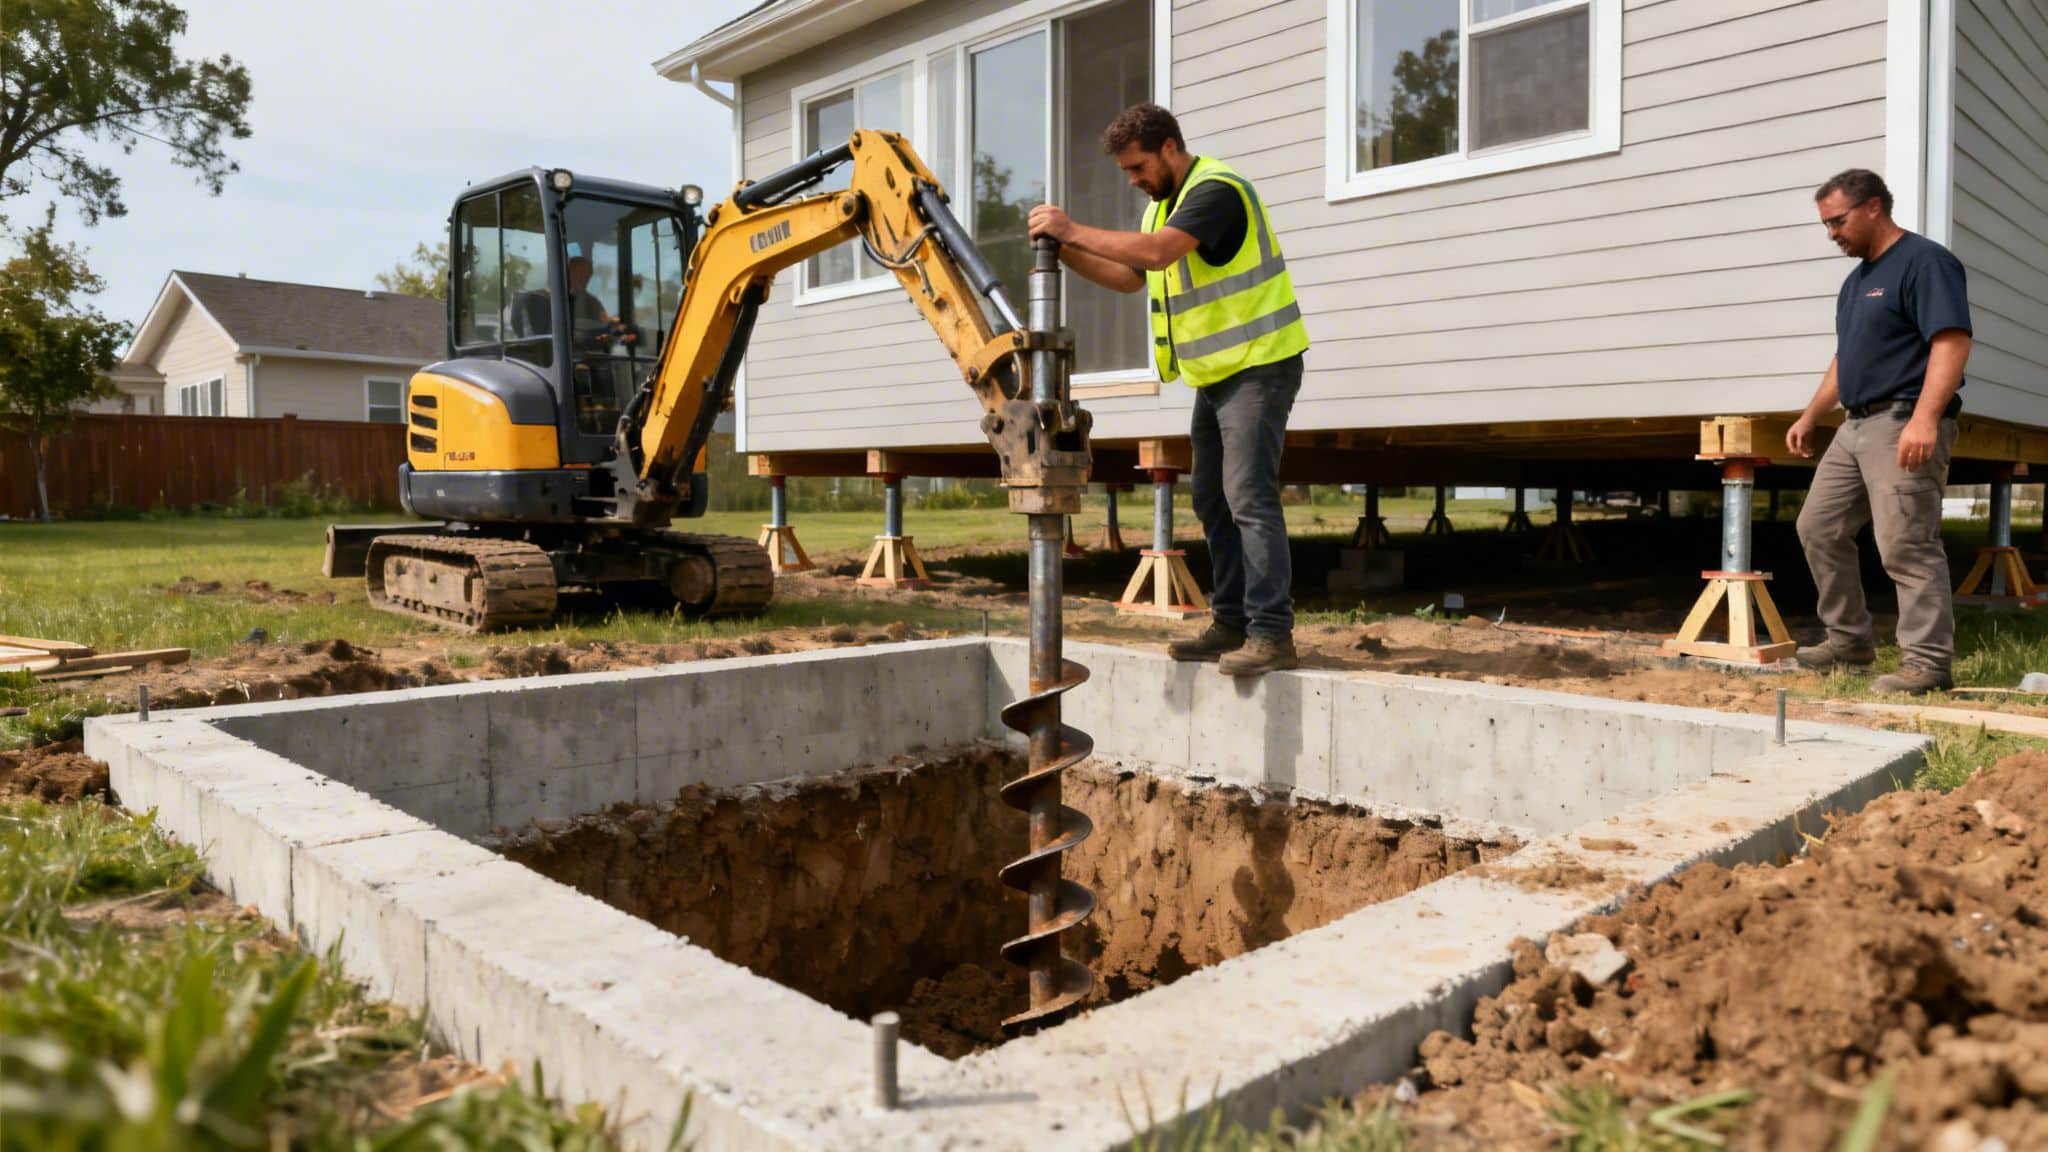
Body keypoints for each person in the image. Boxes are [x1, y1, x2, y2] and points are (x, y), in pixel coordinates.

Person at [1027, 103, 1310, 677]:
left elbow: (1155, 255)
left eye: (1137, 168)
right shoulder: (1164, 206)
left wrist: (1072, 227)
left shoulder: (1217, 191)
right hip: (1218, 374)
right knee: (1212, 498)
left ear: (1169, 149)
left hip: (1260, 365)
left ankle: (1272, 633)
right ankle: (1232, 622)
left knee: (1249, 497)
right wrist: (1067, 251)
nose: (1133, 179)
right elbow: (1132, 276)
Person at [1788, 168, 1973, 695]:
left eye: (1837, 221)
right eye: (1825, 225)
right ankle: (1849, 640)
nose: (1831, 234)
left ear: (1873, 207)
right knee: (1818, 527)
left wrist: (1925, 417)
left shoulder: (1924, 262)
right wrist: (1809, 415)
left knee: (1906, 543)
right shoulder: (1855, 283)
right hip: (1855, 424)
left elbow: (1952, 342)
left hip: (1903, 419)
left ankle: (1928, 663)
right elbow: (1845, 360)